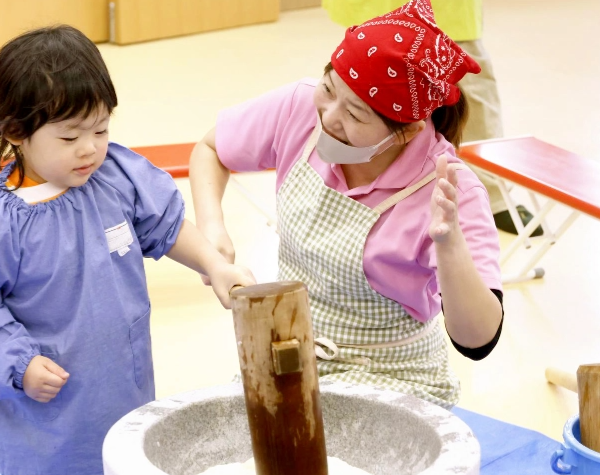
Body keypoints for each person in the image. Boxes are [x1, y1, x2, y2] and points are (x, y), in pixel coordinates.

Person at [0, 25, 255, 475]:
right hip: (40, 430)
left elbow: (164, 225)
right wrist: (19, 366)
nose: (90, 149)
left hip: (117, 404)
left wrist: (214, 263)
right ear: (15, 132)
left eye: (101, 130)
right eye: (69, 136)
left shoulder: (115, 177)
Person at [189, 0, 504, 410]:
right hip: (293, 354)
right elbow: (212, 148)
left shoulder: (449, 190)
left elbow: (478, 340)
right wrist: (213, 228)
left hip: (395, 379)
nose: (328, 117)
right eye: (329, 88)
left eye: (355, 113)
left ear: (407, 130)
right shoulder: (300, 108)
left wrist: (450, 246)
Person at [322, 0, 542, 236]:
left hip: (447, 15)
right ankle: (364, 187)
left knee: (469, 93)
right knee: (362, 92)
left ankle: (489, 194)